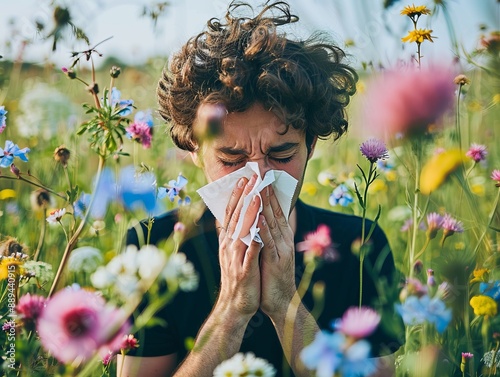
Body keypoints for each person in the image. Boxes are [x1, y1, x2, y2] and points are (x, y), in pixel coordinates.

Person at [120, 1, 401, 376]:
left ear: (311, 146)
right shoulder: (151, 248)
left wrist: (285, 303)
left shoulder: (360, 246)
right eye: (231, 158)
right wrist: (232, 310)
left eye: (281, 154)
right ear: (194, 150)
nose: (258, 178)